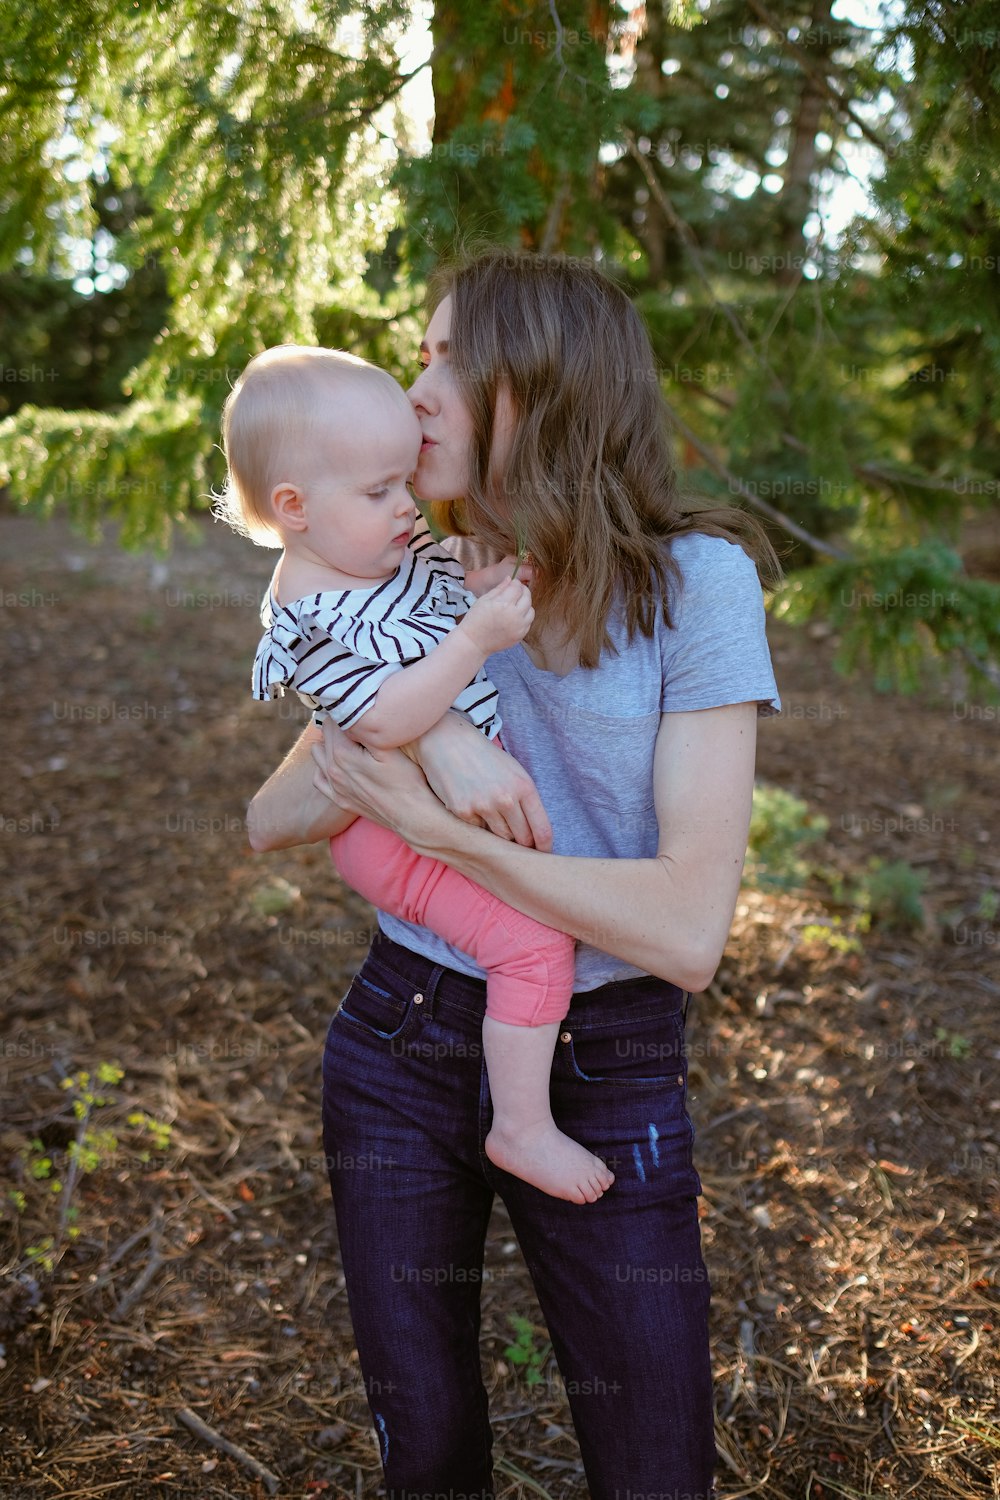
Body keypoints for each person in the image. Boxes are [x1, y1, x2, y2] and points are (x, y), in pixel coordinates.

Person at [247, 250, 781, 1500]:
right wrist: (420, 724)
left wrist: (449, 839)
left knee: (655, 1467)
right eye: (418, 355)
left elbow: (688, 932)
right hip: (397, 1038)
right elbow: (270, 818)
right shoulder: (410, 568)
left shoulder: (696, 587)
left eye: (448, 360)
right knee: (425, 1452)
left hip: (606, 1057)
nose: (416, 389)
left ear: (536, 389)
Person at [218, 345, 613, 1203]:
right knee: (537, 944)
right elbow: (383, 720)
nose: (408, 509)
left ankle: (513, 1116)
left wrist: (483, 590)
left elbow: (432, 611)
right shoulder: (312, 612)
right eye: (380, 492)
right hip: (385, 833)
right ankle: (521, 1128)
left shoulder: (370, 559)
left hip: (412, 814)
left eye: (406, 484)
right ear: (293, 507)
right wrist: (475, 639)